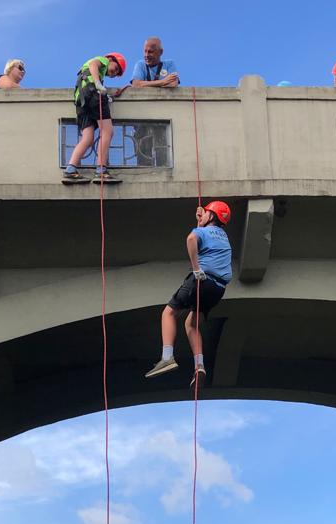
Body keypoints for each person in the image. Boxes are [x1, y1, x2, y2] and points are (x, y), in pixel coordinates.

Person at [145, 201, 232, 387]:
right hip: (218, 289)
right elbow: (208, 238)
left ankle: (167, 358)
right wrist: (201, 222)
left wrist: (196, 268)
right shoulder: (224, 236)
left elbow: (191, 239)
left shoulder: (202, 232)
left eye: (207, 212)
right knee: (191, 324)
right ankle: (199, 366)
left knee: (169, 313)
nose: (204, 214)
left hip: (202, 280)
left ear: (211, 216)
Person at [63, 53, 127, 185]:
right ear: (110, 59)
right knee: (107, 131)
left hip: (82, 102)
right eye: (115, 68)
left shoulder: (89, 76)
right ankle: (101, 170)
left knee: (88, 138)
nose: (114, 73)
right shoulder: (103, 60)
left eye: (116, 73)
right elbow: (93, 64)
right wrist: (98, 83)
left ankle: (70, 169)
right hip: (93, 95)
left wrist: (105, 92)